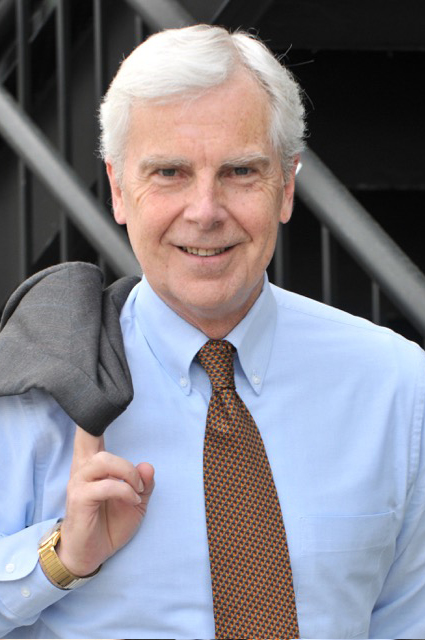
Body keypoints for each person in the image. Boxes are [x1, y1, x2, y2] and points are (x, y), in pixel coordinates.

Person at [0, 23, 424, 640]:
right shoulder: (38, 391)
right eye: (169, 172)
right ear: (118, 189)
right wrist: (60, 560)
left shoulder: (397, 386)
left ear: (287, 186)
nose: (205, 211)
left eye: (240, 171)